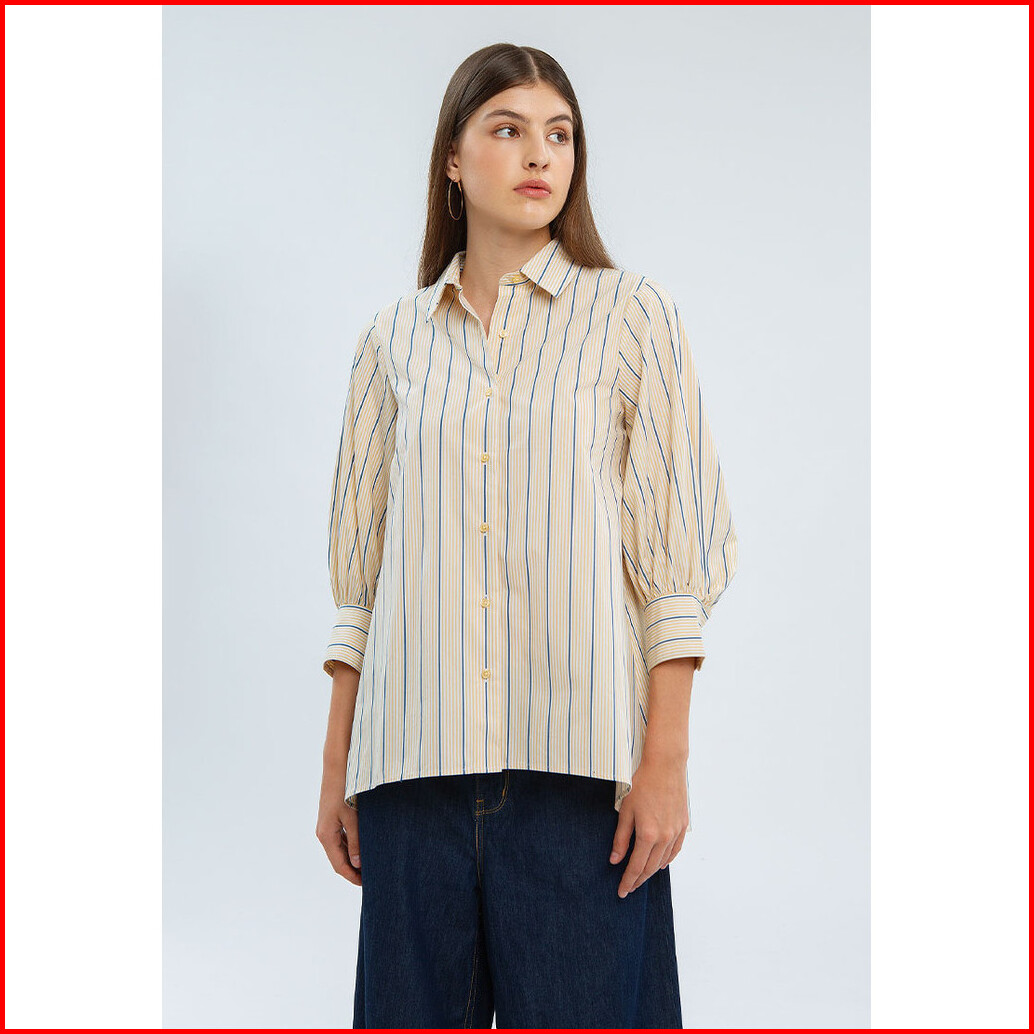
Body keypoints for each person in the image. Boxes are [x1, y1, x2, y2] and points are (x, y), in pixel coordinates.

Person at [315, 42, 738, 1029]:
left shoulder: (631, 316)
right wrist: (339, 772)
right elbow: (361, 582)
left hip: (578, 781)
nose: (540, 154)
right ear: (452, 159)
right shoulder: (391, 341)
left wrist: (665, 764)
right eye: (507, 129)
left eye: (560, 134)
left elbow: (672, 564)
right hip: (410, 775)